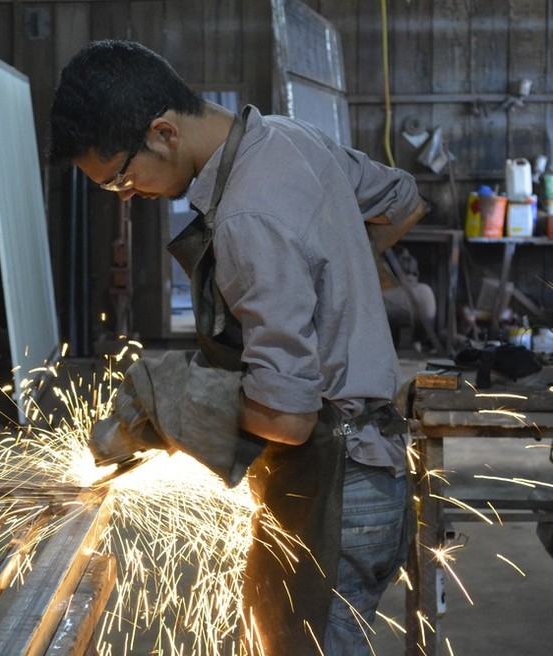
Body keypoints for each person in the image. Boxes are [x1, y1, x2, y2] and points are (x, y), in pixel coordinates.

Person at [48, 40, 426, 655]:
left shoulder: (245, 214)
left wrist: (168, 414)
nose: (126, 194)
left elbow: (288, 419)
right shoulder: (289, 138)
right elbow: (401, 199)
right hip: (370, 470)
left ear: (164, 132)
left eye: (121, 177)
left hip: (337, 486)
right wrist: (330, 275)